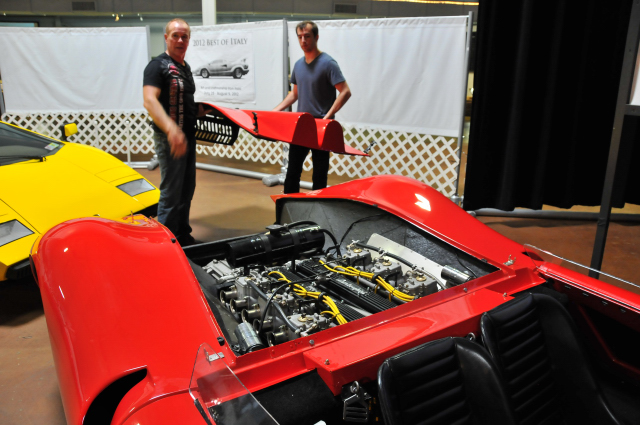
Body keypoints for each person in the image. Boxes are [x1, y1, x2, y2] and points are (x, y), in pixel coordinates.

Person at [143, 18, 209, 246]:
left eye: (185, 36)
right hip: (170, 138)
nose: (180, 40)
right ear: (166, 38)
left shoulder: (184, 67)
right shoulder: (157, 66)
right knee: (171, 193)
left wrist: (204, 111)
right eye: (175, 36)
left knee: (186, 188)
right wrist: (172, 130)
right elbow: (150, 101)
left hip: (187, 136)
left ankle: (181, 235)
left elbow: (183, 102)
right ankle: (166, 245)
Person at [274, 21, 351, 193]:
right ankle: (289, 205)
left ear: (316, 37)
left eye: (307, 36)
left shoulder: (328, 63)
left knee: (319, 174)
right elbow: (295, 94)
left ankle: (317, 207)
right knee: (293, 171)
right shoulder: (298, 65)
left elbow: (345, 91)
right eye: (300, 37)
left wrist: (327, 116)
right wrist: (275, 111)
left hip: (321, 127)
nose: (303, 41)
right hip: (301, 125)